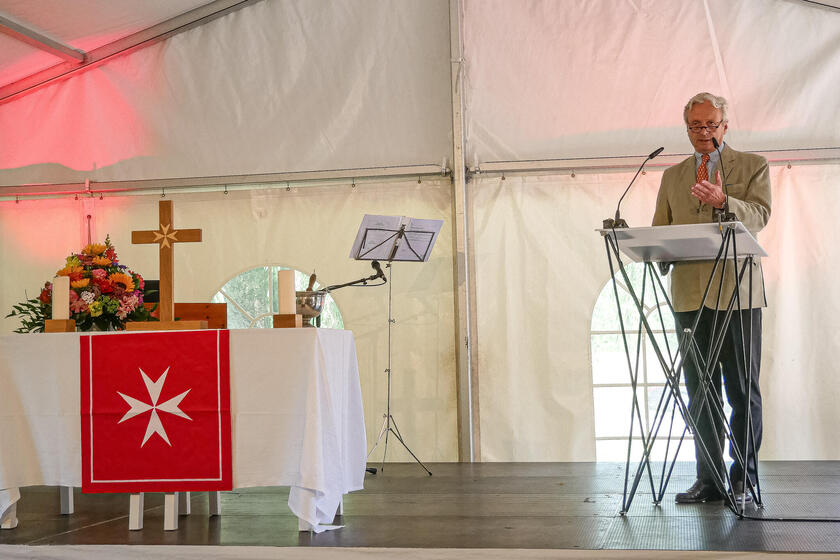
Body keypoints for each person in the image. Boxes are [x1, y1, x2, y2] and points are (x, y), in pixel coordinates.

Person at [652, 92, 771, 504]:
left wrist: (725, 201)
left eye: (711, 125)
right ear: (686, 128)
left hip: (738, 294)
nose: (704, 133)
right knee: (700, 391)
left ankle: (744, 476)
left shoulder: (753, 166)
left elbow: (760, 216)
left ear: (725, 125)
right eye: (695, 126)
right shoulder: (672, 176)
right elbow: (661, 231)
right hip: (690, 296)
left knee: (741, 390)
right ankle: (711, 479)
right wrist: (652, 251)